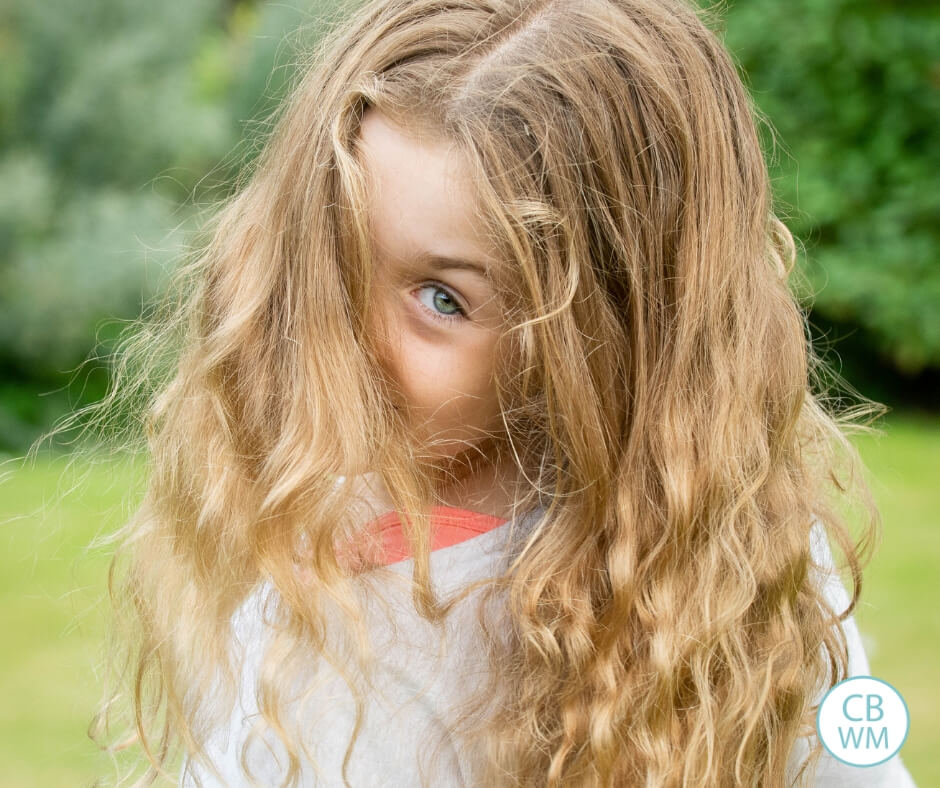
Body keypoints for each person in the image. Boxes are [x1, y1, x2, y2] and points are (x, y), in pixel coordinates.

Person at [60, 0, 919, 785]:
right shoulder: (308, 527)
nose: (350, 339)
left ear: (599, 342)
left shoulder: (739, 574)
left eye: (444, 299)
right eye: (338, 254)